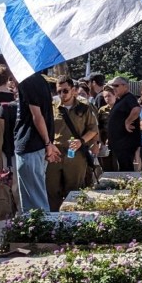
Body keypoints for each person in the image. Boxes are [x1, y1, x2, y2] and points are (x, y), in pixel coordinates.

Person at [47, 77, 99, 211]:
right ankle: (54, 217)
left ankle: (73, 217)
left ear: (73, 90)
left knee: (74, 190)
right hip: (55, 153)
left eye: (65, 91)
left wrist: (81, 141)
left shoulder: (84, 107)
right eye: (59, 91)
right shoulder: (51, 107)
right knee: (52, 189)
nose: (62, 94)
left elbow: (93, 129)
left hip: (75, 154)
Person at [12, 70, 60, 213]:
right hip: (36, 145)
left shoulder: (27, 80)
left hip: (30, 145)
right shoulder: (41, 80)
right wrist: (49, 143)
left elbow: (37, 116)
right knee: (36, 197)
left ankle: (40, 226)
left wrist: (48, 143)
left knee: (34, 203)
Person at [105, 77, 142, 172]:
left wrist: (128, 121)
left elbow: (136, 109)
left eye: (116, 85)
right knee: (122, 168)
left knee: (126, 169)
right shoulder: (120, 99)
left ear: (125, 86)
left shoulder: (129, 97)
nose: (113, 88)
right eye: (112, 86)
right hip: (119, 143)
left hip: (126, 143)